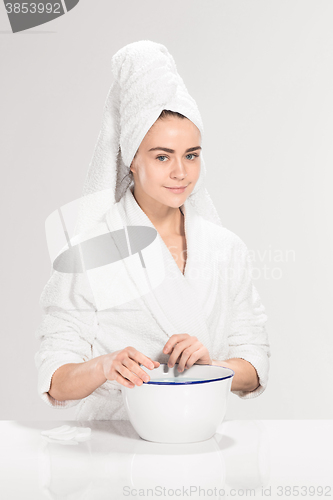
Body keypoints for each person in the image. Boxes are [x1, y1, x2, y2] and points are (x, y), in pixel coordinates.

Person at [35, 41, 271, 421]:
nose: (181, 172)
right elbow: (54, 377)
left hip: (198, 439)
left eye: (191, 155)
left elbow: (255, 361)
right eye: (162, 156)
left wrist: (214, 366)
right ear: (131, 160)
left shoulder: (225, 248)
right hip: (111, 446)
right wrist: (102, 366)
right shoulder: (92, 249)